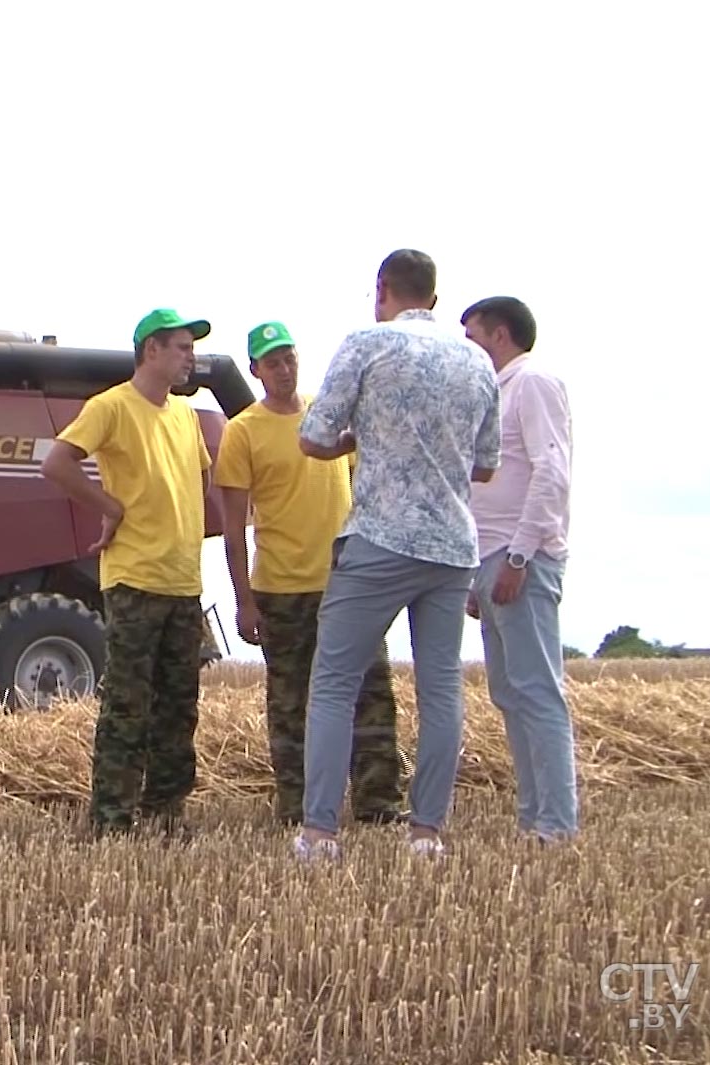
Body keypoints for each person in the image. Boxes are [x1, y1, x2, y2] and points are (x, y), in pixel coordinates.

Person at [293, 250, 501, 860]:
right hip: (452, 545)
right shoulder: (477, 360)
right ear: (434, 298)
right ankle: (427, 832)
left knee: (333, 683)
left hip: (381, 538)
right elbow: (485, 465)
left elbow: (313, 438)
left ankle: (320, 832)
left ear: (382, 290)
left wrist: (365, 439)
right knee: (441, 690)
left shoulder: (367, 344)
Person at [214, 320, 409, 827]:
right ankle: (299, 808)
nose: (284, 369)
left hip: (348, 583)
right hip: (281, 590)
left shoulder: (330, 416)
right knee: (291, 703)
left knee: (371, 695)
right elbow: (233, 527)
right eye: (272, 362)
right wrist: (244, 600)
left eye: (290, 358)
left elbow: (368, 486)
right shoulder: (242, 432)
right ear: (256, 371)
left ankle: (378, 802)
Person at [40, 308, 214, 839]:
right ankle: (112, 817)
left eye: (191, 348)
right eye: (182, 347)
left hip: (183, 580)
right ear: (152, 351)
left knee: (179, 707)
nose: (191, 357)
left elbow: (200, 479)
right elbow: (57, 463)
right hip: (135, 578)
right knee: (127, 705)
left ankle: (166, 813)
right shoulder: (111, 407)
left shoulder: (185, 415)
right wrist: (109, 506)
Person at [461, 295, 579, 843]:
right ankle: (533, 817)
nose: (469, 350)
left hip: (520, 561)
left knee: (536, 691)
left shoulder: (533, 384)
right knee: (510, 694)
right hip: (489, 560)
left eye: (473, 337)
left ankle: (555, 824)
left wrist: (518, 556)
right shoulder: (496, 395)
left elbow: (551, 472)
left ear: (500, 334)